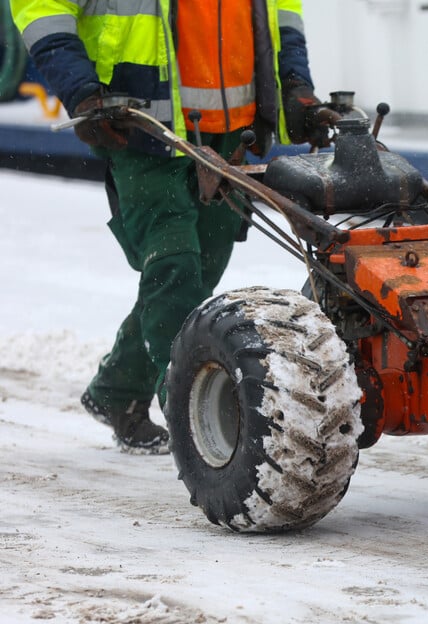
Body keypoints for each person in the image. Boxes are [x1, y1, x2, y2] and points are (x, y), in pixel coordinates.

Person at [12, 1, 330, 454]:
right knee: (175, 266)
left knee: (196, 273)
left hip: (229, 134)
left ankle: (116, 391)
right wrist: (81, 89)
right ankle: (194, 424)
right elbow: (41, 8)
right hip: (139, 126)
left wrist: (296, 86)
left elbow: (283, 17)